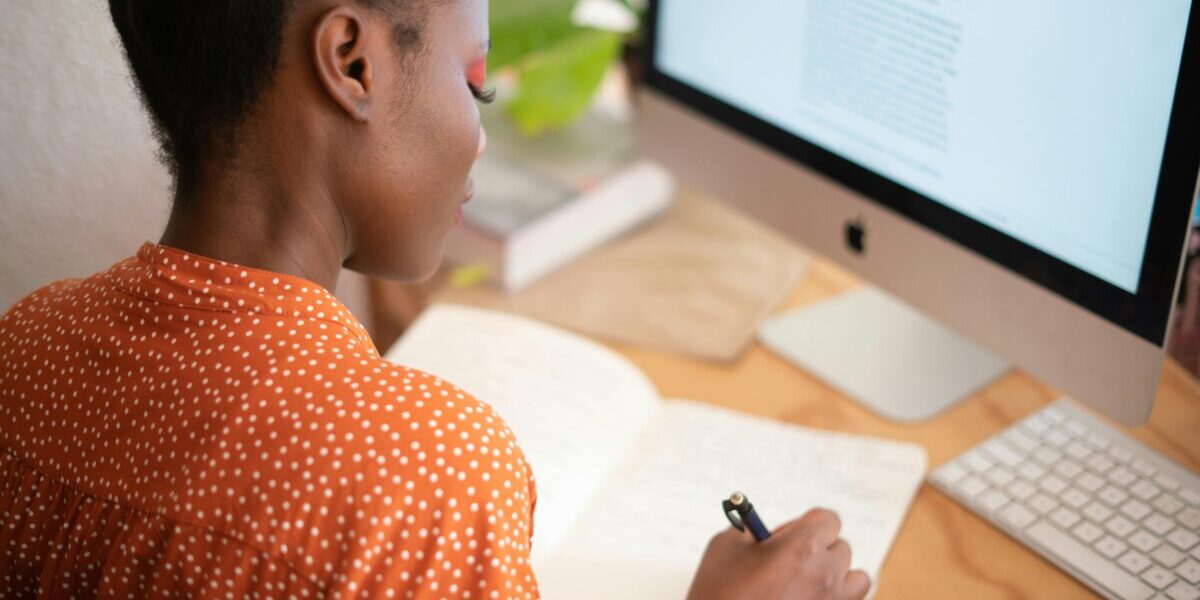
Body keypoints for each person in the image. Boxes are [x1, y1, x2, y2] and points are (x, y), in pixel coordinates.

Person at [0, 1, 870, 598]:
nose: (480, 133)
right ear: (352, 61)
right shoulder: (428, 479)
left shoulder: (25, 347)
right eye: (475, 82)